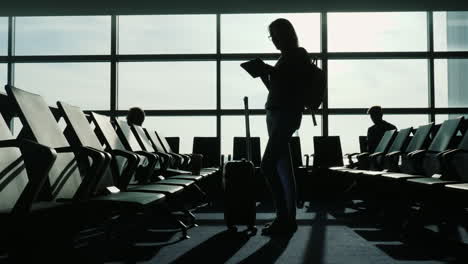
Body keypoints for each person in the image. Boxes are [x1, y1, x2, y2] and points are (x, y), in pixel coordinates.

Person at [258, 18, 309, 236]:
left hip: (285, 115)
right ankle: (287, 218)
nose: (274, 41)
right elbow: (277, 88)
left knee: (268, 165)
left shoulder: (298, 54)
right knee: (283, 168)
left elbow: (294, 85)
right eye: (272, 37)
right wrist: (265, 75)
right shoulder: (284, 58)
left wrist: (272, 72)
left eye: (275, 36)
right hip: (276, 113)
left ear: (285, 34)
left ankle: (284, 218)